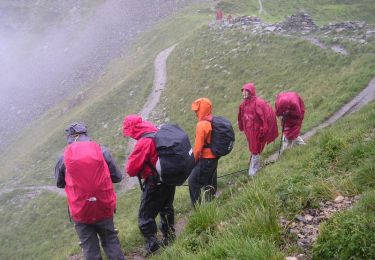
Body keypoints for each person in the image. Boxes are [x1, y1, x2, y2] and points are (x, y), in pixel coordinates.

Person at [55, 122, 124, 260]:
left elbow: (59, 183)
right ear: (86, 133)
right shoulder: (102, 150)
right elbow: (117, 177)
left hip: (80, 210)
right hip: (103, 206)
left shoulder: (63, 157)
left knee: (89, 248)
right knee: (110, 241)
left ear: (69, 137)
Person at [122, 115, 176, 256]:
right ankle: (169, 237)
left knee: (145, 216)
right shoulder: (154, 130)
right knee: (166, 207)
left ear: (132, 129)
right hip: (168, 175)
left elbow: (131, 169)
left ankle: (153, 246)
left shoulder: (144, 142)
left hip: (154, 182)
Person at [238, 83, 279, 176]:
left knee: (255, 149)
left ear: (250, 92)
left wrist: (263, 131)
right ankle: (254, 166)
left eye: (246, 91)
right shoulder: (243, 105)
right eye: (243, 91)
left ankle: (253, 172)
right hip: (249, 131)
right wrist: (242, 127)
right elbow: (241, 117)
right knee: (254, 149)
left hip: (257, 132)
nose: (243, 93)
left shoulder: (258, 103)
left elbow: (265, 117)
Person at [189, 98, 219, 206]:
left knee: (192, 182)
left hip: (206, 158)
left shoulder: (201, 125)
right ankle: (211, 202)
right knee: (210, 180)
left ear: (202, 109)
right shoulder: (213, 120)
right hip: (214, 156)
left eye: (197, 110)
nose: (195, 113)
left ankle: (198, 210)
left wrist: (192, 162)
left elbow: (197, 148)